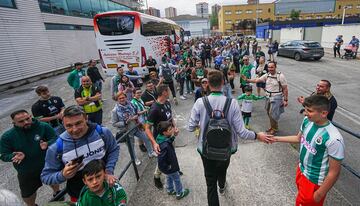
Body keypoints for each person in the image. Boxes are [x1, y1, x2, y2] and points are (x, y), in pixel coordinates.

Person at [188, 70, 271, 206]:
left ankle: (216, 188)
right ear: (223, 83)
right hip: (226, 148)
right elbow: (242, 132)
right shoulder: (232, 103)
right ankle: (222, 185)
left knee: (210, 183)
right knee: (222, 169)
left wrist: (201, 123)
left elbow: (190, 127)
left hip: (205, 148)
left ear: (207, 84)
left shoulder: (199, 102)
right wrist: (257, 135)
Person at [270, 95, 345, 206]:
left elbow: (334, 172)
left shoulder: (334, 138)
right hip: (301, 171)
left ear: (324, 113)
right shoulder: (307, 121)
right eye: (305, 109)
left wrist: (319, 194)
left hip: (314, 182)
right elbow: (298, 139)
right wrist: (275, 139)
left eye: (309, 111)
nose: (305, 113)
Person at [41, 105, 119, 202]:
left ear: (86, 118)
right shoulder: (56, 147)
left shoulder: (102, 132)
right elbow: (45, 177)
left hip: (106, 188)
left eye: (78, 123)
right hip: (80, 196)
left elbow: (113, 149)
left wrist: (108, 171)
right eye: (69, 126)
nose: (75, 129)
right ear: (63, 124)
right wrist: (62, 175)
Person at [0, 110, 59, 206]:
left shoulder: (43, 126)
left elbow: (55, 138)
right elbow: (3, 155)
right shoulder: (7, 137)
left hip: (47, 164)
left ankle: (57, 193)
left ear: (31, 116)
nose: (26, 122)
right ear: (13, 123)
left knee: (53, 181)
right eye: (21, 121)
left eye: (27, 119)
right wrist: (13, 156)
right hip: (26, 171)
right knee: (28, 194)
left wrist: (47, 143)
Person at [144, 84, 179, 189]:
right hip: (161, 140)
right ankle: (156, 176)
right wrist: (154, 143)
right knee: (163, 159)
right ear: (163, 92)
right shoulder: (154, 109)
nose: (169, 92)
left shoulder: (167, 103)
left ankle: (174, 169)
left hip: (170, 135)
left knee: (171, 154)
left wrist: (175, 127)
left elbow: (170, 117)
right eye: (167, 90)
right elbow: (147, 128)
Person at [111, 91, 156, 165]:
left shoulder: (130, 104)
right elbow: (114, 123)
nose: (122, 99)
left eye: (123, 97)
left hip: (136, 127)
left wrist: (137, 118)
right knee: (131, 147)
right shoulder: (115, 110)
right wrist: (126, 122)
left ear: (126, 97)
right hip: (126, 131)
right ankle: (134, 159)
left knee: (146, 138)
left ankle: (151, 152)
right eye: (120, 98)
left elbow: (135, 113)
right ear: (117, 99)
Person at [243, 61, 288, 135]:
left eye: (272, 67)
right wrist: (247, 80)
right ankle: (272, 126)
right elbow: (257, 80)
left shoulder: (280, 76)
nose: (270, 69)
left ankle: (274, 129)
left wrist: (286, 100)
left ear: (275, 67)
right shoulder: (267, 75)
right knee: (268, 112)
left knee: (272, 113)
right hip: (268, 96)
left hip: (276, 97)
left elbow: (285, 89)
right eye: (269, 67)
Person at [156, 121, 190, 200]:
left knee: (169, 177)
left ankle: (170, 189)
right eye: (170, 129)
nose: (172, 130)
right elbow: (161, 159)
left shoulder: (161, 138)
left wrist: (174, 135)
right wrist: (168, 167)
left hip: (168, 167)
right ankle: (180, 193)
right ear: (164, 132)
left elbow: (168, 141)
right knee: (177, 178)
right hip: (170, 166)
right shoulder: (164, 145)